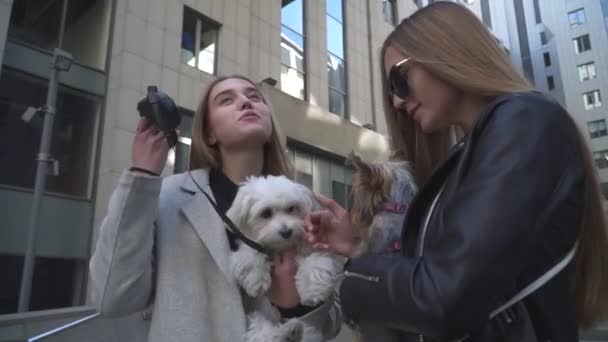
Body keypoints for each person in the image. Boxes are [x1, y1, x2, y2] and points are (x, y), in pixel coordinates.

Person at [305, 2, 608, 342]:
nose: (397, 102)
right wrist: (355, 245)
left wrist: (350, 277)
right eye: (391, 91)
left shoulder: (524, 121)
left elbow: (442, 297)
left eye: (399, 80)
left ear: (445, 51)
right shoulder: (472, 153)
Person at [89, 75, 341, 342]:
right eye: (227, 100)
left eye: (254, 97)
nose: (245, 102)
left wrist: (295, 306)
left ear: (269, 122)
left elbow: (333, 321)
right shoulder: (167, 196)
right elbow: (113, 298)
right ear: (209, 133)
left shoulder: (303, 205)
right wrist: (142, 176)